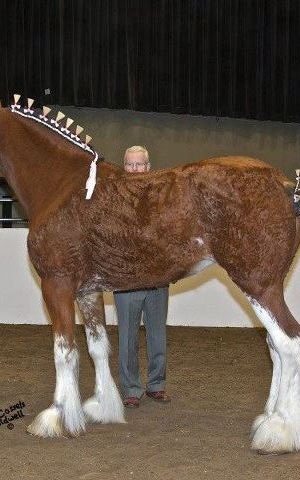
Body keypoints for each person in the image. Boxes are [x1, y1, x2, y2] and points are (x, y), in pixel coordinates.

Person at [114, 145, 171, 408]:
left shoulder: (162, 198)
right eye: (130, 164)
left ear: (148, 167)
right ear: (124, 167)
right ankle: (131, 389)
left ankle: (156, 385)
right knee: (127, 337)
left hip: (157, 277)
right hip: (127, 279)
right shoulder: (114, 199)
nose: (135, 169)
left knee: (157, 334)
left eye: (140, 165)